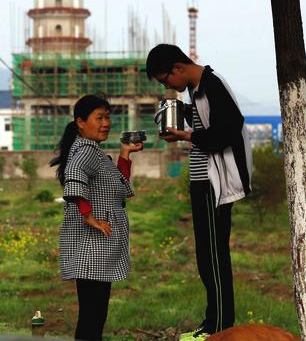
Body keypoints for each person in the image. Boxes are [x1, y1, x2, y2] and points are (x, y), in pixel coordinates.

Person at [146, 44, 252, 340]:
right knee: (207, 256)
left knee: (214, 258)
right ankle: (214, 323)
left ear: (178, 68)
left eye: (166, 80)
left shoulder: (211, 84)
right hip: (204, 180)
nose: (169, 86)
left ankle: (219, 328)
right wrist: (179, 115)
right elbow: (209, 119)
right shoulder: (198, 88)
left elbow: (230, 128)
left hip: (214, 183)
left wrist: (186, 135)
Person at [51, 94, 143, 341]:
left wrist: (125, 154)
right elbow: (73, 175)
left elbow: (118, 186)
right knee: (93, 314)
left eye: (107, 117)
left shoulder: (93, 151)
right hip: (92, 244)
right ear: (80, 122)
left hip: (97, 245)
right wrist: (88, 216)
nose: (106, 123)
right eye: (99, 117)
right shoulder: (87, 151)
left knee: (94, 313)